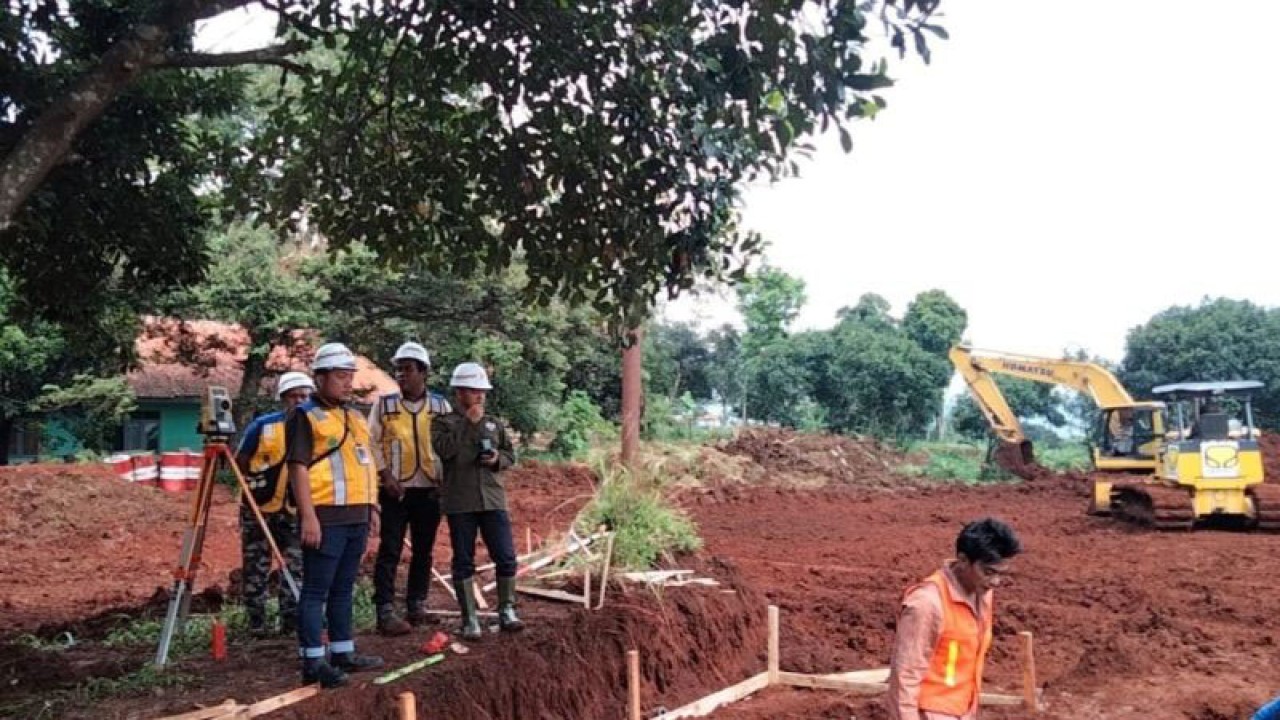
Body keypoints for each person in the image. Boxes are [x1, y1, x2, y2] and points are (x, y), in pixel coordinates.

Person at [286, 342, 384, 688]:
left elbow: (366, 465)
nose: (347, 383)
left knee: (343, 587)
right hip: (326, 516)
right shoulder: (304, 416)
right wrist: (308, 516)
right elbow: (298, 468)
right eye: (341, 376)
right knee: (317, 590)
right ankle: (313, 660)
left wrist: (372, 507)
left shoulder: (354, 416)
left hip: (356, 515)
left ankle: (343, 651)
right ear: (321, 377)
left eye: (350, 376)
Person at [886, 518, 1023, 720]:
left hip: (962, 710)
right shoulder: (927, 604)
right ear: (963, 560)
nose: (995, 582)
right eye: (988, 572)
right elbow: (905, 677)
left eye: (1000, 574)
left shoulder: (982, 593)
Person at [368, 341, 452, 635]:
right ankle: (385, 609)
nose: (402, 375)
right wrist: (384, 475)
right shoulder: (385, 405)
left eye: (408, 370)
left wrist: (447, 480)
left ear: (423, 372)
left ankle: (417, 604)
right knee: (390, 548)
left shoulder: (441, 406)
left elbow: (449, 445)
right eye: (399, 370)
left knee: (424, 549)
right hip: (396, 488)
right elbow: (371, 442)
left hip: (430, 487)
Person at [432, 362, 520, 640]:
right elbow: (445, 450)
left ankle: (507, 610)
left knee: (506, 556)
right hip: (461, 501)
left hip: (492, 498)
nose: (480, 396)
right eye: (474, 391)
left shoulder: (493, 423)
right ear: (459, 392)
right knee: (463, 560)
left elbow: (510, 454)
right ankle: (469, 619)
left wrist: (497, 460)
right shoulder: (443, 423)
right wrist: (468, 425)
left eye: (482, 391)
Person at [235, 371, 311, 636]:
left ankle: (290, 622)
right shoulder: (263, 426)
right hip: (259, 509)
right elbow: (241, 460)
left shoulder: (316, 426)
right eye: (294, 396)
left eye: (305, 396)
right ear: (283, 398)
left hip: (294, 511)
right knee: (256, 566)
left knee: (295, 566)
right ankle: (256, 623)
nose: (300, 401)